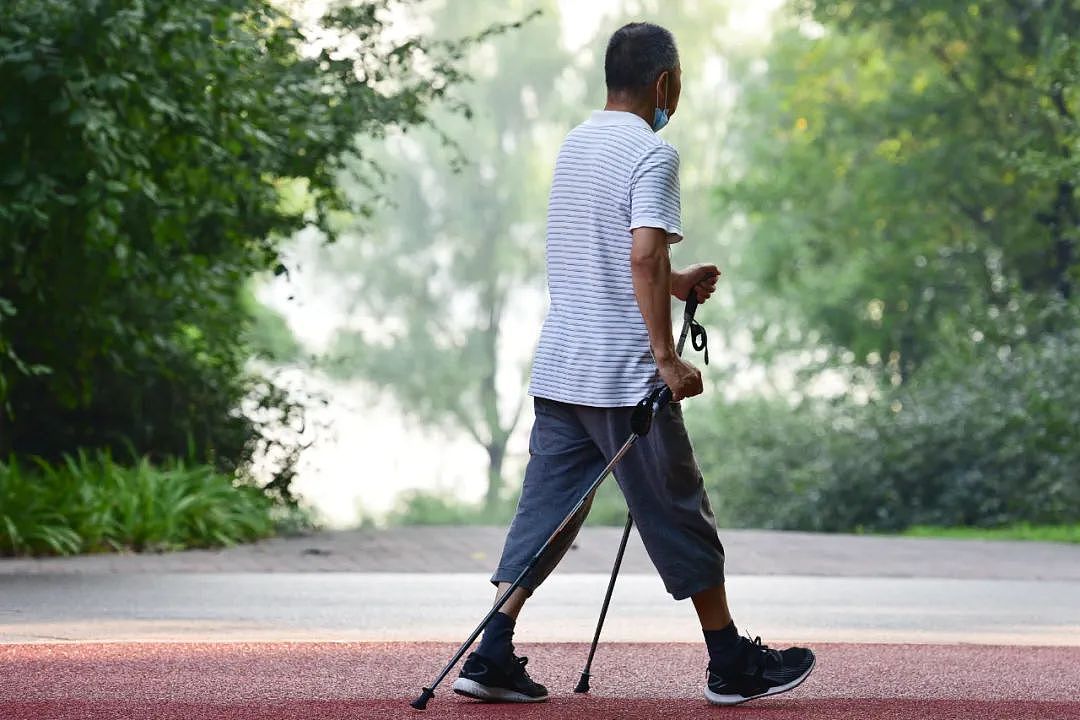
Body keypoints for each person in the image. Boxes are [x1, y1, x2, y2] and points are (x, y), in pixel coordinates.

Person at [451, 21, 816, 707]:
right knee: (681, 510)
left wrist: (677, 284)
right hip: (624, 378)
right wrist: (667, 357)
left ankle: (492, 651)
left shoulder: (575, 144)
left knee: (548, 513)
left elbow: (616, 254)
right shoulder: (654, 154)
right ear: (664, 82)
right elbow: (641, 253)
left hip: (562, 368)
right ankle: (728, 663)